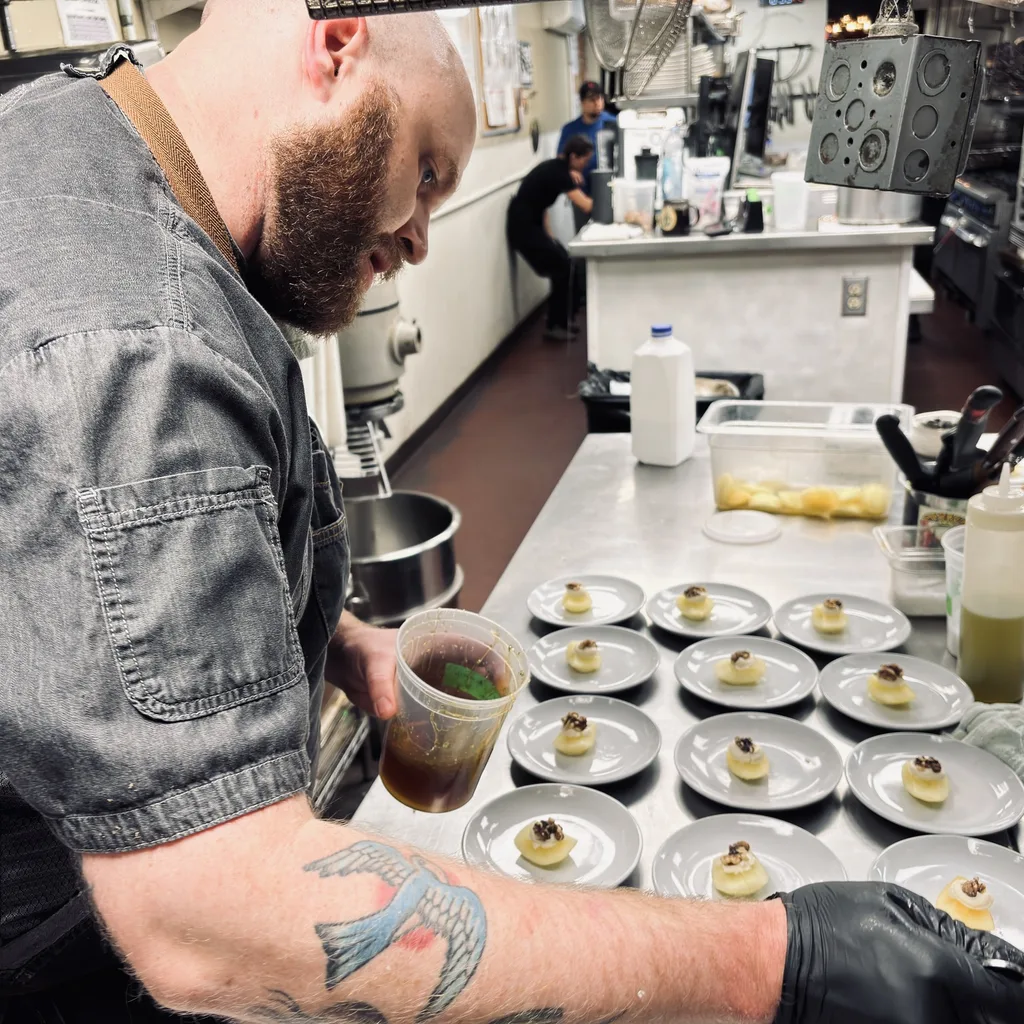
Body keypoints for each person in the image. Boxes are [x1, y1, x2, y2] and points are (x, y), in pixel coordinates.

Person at [0, 0, 1022, 1021]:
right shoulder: (133, 348)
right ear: (338, 39)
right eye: (429, 171)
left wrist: (339, 641)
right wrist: (772, 959)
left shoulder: (81, 131)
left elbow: (77, 597)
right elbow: (214, 920)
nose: (419, 240)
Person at [507, 135, 594, 342]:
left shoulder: (558, 168)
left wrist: (550, 238)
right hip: (522, 227)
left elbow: (542, 203)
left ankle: (564, 319)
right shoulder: (559, 174)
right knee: (561, 265)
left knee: (564, 259)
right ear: (574, 156)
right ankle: (555, 326)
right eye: (584, 160)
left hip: (531, 223)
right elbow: (586, 205)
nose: (586, 164)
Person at [556, 80, 617, 232]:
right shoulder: (570, 129)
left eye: (600, 98)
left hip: (610, 190)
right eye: (592, 99)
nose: (597, 103)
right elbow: (560, 161)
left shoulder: (613, 123)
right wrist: (569, 171)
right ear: (582, 103)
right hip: (582, 193)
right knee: (584, 232)